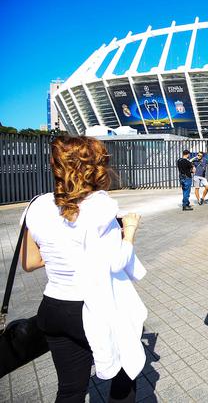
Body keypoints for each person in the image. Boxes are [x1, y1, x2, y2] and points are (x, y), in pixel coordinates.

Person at [19, 136, 147, 402]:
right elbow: (117, 261)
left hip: (54, 308)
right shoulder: (101, 206)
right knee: (125, 376)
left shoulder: (36, 205)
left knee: (69, 390)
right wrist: (130, 231)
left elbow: (30, 263)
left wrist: (62, 252)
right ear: (95, 167)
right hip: (95, 308)